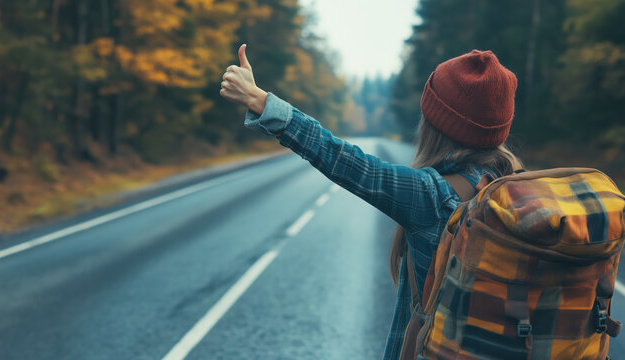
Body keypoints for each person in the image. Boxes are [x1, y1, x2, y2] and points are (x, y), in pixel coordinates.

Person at [220, 44, 524, 359]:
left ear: (435, 124)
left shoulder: (433, 197)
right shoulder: (525, 193)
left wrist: (260, 100)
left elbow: (343, 159)